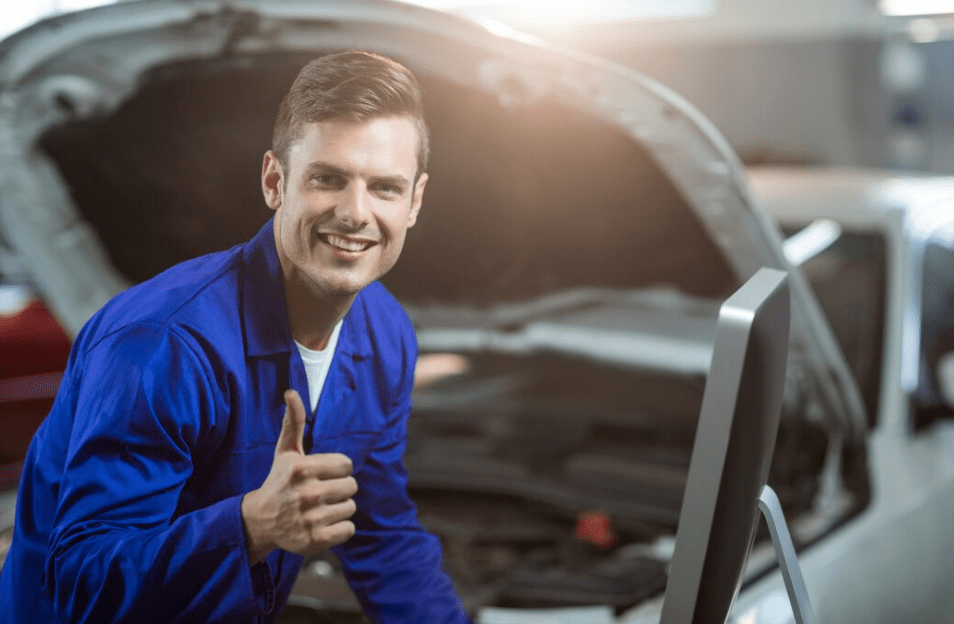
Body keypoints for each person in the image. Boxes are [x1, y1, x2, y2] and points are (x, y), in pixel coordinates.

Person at [0, 51, 471, 624]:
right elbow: (81, 582)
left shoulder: (386, 332)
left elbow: (380, 531)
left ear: (415, 201)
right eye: (328, 179)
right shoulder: (161, 345)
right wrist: (251, 526)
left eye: (385, 188)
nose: (355, 213)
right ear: (276, 181)